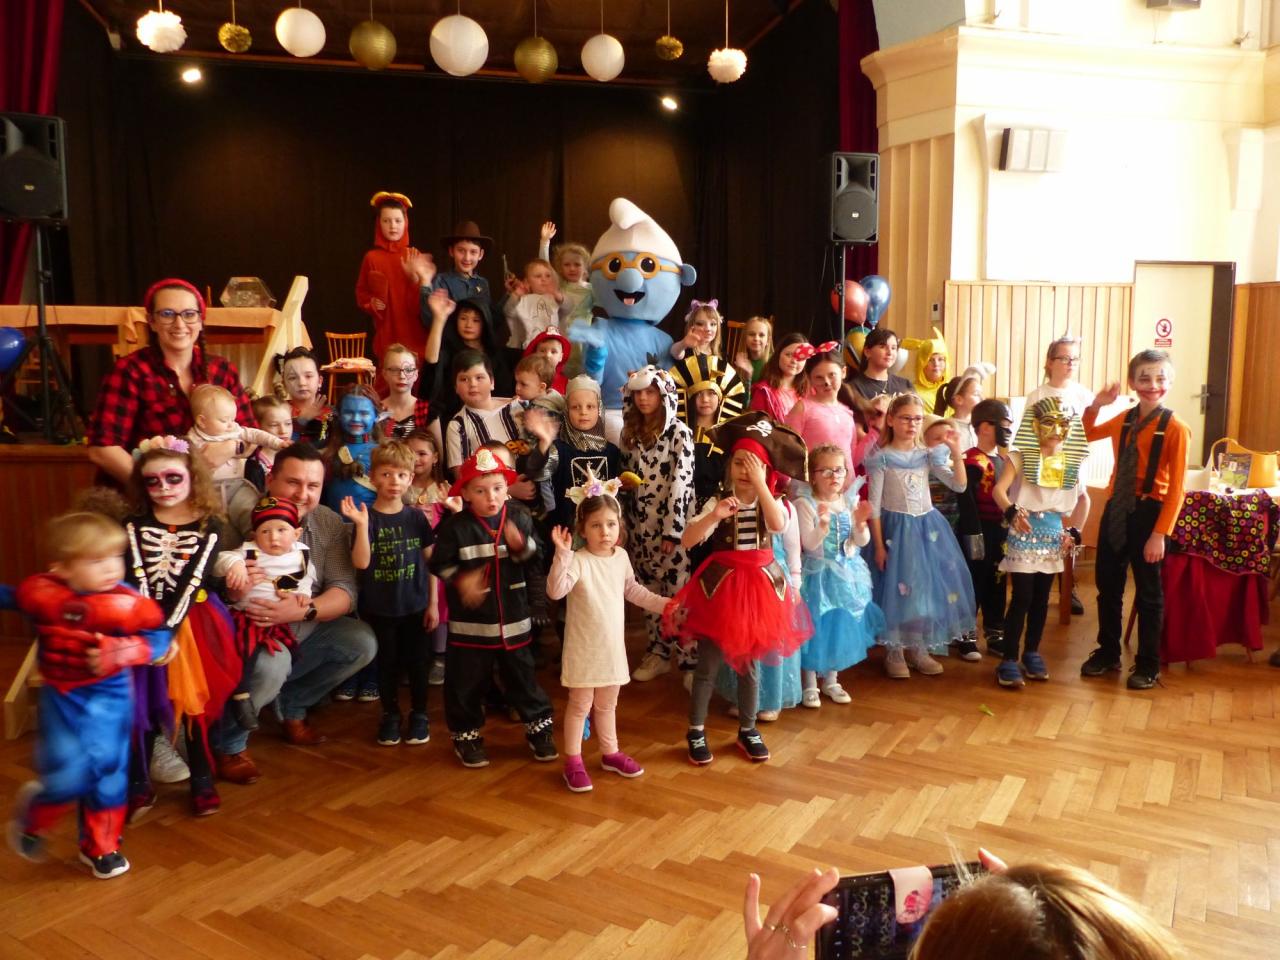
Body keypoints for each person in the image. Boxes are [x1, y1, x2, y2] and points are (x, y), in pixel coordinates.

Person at [9, 511, 171, 880]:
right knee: (67, 774)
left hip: (110, 700)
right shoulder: (41, 593)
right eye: (96, 560)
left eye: (116, 556)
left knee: (108, 774)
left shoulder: (128, 603)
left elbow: (161, 636)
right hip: (61, 698)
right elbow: (13, 597)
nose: (112, 567)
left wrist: (128, 650)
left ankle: (100, 846)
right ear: (61, 568)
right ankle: (36, 816)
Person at [215, 443, 377, 784]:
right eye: (293, 482)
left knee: (361, 642)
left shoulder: (327, 522)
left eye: (313, 485)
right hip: (253, 630)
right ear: (270, 480)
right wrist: (234, 590)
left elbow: (345, 591)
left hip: (304, 623)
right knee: (270, 665)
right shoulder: (239, 518)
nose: (303, 494)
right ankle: (229, 745)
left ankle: (292, 704)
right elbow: (212, 584)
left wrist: (303, 611)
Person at [670, 411, 811, 764]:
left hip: (760, 591)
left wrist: (763, 486)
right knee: (707, 665)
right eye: (739, 463)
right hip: (721, 590)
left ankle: (748, 729)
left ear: (766, 470)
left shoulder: (772, 502)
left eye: (754, 465)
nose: (745, 471)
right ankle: (696, 730)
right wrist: (714, 516)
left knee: (750, 667)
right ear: (729, 466)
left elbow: (777, 526)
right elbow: (687, 540)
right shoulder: (717, 500)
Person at [121, 437, 240, 819]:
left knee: (193, 705)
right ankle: (139, 781)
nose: (164, 488)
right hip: (139, 622)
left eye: (173, 478)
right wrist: (148, 628)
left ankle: (202, 778)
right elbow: (136, 575)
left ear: (193, 478)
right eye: (152, 481)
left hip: (193, 623)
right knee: (141, 700)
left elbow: (193, 580)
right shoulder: (133, 524)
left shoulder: (210, 525)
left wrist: (168, 631)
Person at [429, 449, 557, 768]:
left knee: (524, 680)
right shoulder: (455, 527)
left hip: (514, 623)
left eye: (498, 488)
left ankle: (539, 730)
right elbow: (439, 564)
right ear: (466, 494)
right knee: (465, 685)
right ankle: (466, 736)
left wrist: (522, 546)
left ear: (507, 488)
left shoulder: (520, 518)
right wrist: (461, 581)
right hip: (470, 629)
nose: (491, 497)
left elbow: (537, 558)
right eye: (481, 491)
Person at [547, 481, 670, 793]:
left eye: (611, 524)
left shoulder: (621, 557)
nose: (605, 532)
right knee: (580, 705)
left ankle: (610, 753)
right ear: (582, 529)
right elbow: (556, 591)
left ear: (620, 525)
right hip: (584, 649)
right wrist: (562, 555)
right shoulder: (578, 560)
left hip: (611, 648)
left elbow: (633, 591)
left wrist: (665, 605)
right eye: (596, 525)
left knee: (607, 704)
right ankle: (573, 761)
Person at [1079, 349, 1189, 690]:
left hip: (1149, 513)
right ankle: (1108, 651)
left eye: (1160, 378)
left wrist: (1159, 534)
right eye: (1144, 378)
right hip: (1117, 508)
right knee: (1108, 585)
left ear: (1170, 381)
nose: (1152, 385)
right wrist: (1096, 405)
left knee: (1149, 592)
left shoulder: (1176, 428)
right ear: (1132, 382)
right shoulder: (1123, 419)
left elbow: (1177, 490)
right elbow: (1085, 434)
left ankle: (1148, 664)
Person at [87, 278, 255, 485]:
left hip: (215, 491)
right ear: (151, 321)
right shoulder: (130, 371)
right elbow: (102, 449)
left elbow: (251, 433)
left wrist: (232, 447)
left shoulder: (222, 370)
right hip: (146, 491)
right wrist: (155, 488)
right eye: (167, 314)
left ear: (200, 321)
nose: (179, 324)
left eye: (189, 314)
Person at [865, 393, 977, 678]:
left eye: (917, 419)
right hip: (895, 531)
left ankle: (919, 648)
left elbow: (959, 485)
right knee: (897, 589)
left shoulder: (927, 455)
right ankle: (895, 650)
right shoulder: (881, 458)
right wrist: (878, 546)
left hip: (927, 530)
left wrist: (955, 452)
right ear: (891, 420)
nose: (912, 424)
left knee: (924, 589)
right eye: (905, 418)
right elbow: (874, 506)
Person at [341, 440, 439, 747]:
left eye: (401, 475)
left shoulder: (416, 518)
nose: (393, 481)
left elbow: (432, 563)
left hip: (416, 605)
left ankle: (420, 714)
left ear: (410, 478)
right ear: (373, 478)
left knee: (418, 664)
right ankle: (390, 714)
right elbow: (361, 563)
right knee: (387, 664)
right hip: (380, 608)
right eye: (386, 474)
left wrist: (434, 604)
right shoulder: (366, 517)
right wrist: (360, 526)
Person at [992, 397, 1089, 689]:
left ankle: (1032, 652)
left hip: (1053, 535)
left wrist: (1076, 532)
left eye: (1063, 424)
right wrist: (1011, 511)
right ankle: (1009, 658)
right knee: (1022, 596)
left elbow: (1084, 499)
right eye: (1049, 422)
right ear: (1035, 425)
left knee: (1041, 598)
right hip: (1023, 531)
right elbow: (999, 490)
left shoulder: (1071, 461)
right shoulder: (1019, 457)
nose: (1057, 430)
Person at [620, 366, 696, 683]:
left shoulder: (680, 433)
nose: (643, 398)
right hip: (640, 530)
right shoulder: (630, 435)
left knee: (678, 594)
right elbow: (625, 479)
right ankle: (658, 653)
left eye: (650, 392)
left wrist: (673, 531)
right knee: (648, 592)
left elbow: (682, 483)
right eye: (638, 393)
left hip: (671, 532)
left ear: (664, 395)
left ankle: (689, 661)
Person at [214, 496, 315, 732]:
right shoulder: (250, 551)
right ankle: (240, 696)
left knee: (292, 655)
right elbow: (221, 559)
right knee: (244, 651)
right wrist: (235, 566)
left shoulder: (302, 554)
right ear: (254, 535)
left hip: (278, 623)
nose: (273, 538)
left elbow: (307, 576)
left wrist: (304, 593)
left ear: (297, 534)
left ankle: (276, 696)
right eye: (265, 531)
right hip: (247, 616)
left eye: (281, 530)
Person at [795, 445, 883, 707]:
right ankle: (809, 683)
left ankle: (831, 680)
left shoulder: (849, 501)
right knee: (816, 627)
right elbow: (809, 544)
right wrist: (823, 524)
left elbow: (861, 541)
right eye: (826, 471)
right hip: (818, 575)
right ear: (813, 476)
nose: (834, 476)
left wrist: (860, 524)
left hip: (847, 576)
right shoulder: (805, 503)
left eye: (839, 470)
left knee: (839, 625)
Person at [1021, 335, 1095, 617]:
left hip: (1072, 463)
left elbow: (1088, 431)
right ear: (1050, 362)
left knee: (1073, 513)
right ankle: (1032, 581)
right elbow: (1028, 435)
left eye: (1074, 359)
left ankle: (1068, 585)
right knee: (1045, 520)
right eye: (1064, 358)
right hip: (1044, 465)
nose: (1069, 363)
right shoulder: (1037, 395)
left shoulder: (1083, 395)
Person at [957, 399, 1014, 659]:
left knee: (997, 581)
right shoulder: (970, 460)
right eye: (1003, 424)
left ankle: (995, 631)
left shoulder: (1005, 460)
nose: (1007, 429)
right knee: (973, 580)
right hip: (976, 529)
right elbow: (966, 501)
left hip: (1000, 531)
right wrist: (973, 535)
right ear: (984, 427)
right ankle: (965, 633)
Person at [355, 191, 436, 363]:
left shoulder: (413, 255)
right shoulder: (371, 258)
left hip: (414, 332)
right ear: (379, 223)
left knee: (413, 372)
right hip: (387, 331)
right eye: (386, 221)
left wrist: (414, 279)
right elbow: (361, 292)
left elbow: (424, 304)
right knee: (389, 371)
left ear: (406, 223)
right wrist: (372, 303)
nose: (393, 226)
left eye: (398, 220)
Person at [185, 384, 287, 520]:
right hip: (208, 489)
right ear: (202, 421)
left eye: (233, 419)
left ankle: (252, 530)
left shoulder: (234, 430)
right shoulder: (193, 438)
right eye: (224, 420)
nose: (231, 424)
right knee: (208, 518)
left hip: (237, 485)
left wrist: (278, 443)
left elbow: (256, 435)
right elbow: (183, 457)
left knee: (250, 509)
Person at [539, 374, 624, 535]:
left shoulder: (612, 452)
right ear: (566, 410)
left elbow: (618, 496)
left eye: (590, 406)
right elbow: (543, 484)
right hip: (567, 532)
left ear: (599, 409)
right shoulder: (556, 450)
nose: (583, 412)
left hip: (604, 533)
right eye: (575, 407)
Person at [404, 430, 457, 686]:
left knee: (441, 599)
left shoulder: (444, 488)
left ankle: (440, 655)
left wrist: (448, 508)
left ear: (435, 457)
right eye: (410, 453)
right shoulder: (402, 487)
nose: (416, 459)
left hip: (437, 553)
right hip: (408, 553)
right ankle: (414, 656)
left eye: (422, 453)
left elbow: (455, 523)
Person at [785, 342, 863, 484]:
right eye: (819, 377)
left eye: (832, 375)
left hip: (846, 489)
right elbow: (787, 450)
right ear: (809, 379)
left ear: (843, 372)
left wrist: (875, 432)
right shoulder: (803, 408)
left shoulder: (846, 412)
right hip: (812, 489)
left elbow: (853, 456)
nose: (826, 382)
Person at [321, 384, 385, 518]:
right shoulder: (327, 453)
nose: (356, 418)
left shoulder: (384, 454)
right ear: (339, 414)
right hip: (332, 526)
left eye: (364, 413)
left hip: (371, 526)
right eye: (349, 412)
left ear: (376, 416)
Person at [429, 220, 495, 333]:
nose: (467, 258)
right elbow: (430, 318)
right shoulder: (441, 280)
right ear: (451, 251)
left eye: (473, 252)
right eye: (461, 251)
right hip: (450, 341)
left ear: (480, 254)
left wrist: (511, 295)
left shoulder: (483, 283)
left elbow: (489, 317)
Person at [504, 258, 572, 351]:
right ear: (527, 282)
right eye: (538, 276)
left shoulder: (555, 298)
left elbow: (568, 308)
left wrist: (560, 297)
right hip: (528, 346)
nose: (544, 279)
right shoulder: (524, 299)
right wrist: (516, 296)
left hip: (553, 345)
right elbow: (509, 312)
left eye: (548, 276)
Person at [277, 346, 332, 446]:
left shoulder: (332, 415)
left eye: (308, 376)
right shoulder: (276, 413)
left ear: (320, 381)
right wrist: (300, 422)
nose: (302, 383)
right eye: (293, 378)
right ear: (284, 383)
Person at [749, 332, 807, 423]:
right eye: (788, 355)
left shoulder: (808, 391)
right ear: (778, 355)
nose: (794, 361)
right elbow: (757, 425)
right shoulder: (764, 392)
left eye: (800, 357)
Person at [379, 342, 432, 440]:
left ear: (416, 375)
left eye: (408, 370)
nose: (402, 376)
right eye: (395, 370)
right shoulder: (377, 411)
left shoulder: (427, 410)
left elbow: (438, 449)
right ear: (385, 374)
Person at [849, 327, 913, 401]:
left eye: (893, 348)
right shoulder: (853, 388)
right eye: (882, 347)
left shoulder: (905, 385)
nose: (890, 353)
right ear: (867, 352)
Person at [244, 395, 294, 491]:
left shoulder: (296, 455)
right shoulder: (255, 465)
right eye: (274, 425)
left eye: (288, 423)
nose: (283, 431)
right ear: (258, 427)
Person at [899, 326, 950, 410]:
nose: (936, 364)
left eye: (940, 359)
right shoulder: (912, 393)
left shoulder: (952, 390)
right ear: (921, 364)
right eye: (930, 360)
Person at [522, 327, 572, 395]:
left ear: (561, 357)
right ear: (535, 354)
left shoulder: (567, 384)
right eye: (542, 351)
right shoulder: (527, 379)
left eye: (553, 352)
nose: (547, 355)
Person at [731, 315, 773, 388]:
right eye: (752, 334)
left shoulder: (773, 362)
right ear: (745, 338)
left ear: (768, 340)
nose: (756, 338)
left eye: (761, 335)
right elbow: (738, 391)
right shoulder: (741, 360)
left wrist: (748, 376)